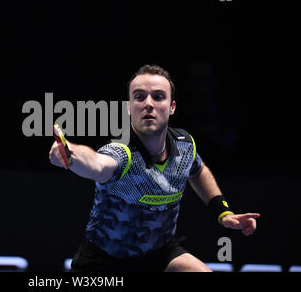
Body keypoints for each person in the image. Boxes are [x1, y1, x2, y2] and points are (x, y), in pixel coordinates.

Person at [49, 64, 260, 272]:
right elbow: (97, 164)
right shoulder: (121, 152)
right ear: (128, 107)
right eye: (139, 97)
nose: (148, 104)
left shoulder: (184, 145)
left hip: (160, 254)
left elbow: (198, 170)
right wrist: (71, 155)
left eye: (158, 97)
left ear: (172, 107)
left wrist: (222, 211)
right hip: (104, 262)